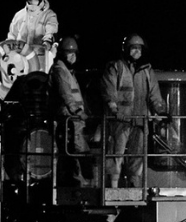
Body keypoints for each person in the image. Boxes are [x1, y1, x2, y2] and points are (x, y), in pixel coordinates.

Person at [100, 33, 170, 189]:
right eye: (133, 48)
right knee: (115, 154)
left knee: (137, 155)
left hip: (140, 120)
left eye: (139, 48)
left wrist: (161, 111)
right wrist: (113, 109)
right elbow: (108, 90)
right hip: (120, 120)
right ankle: (112, 187)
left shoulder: (146, 70)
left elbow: (154, 94)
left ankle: (134, 184)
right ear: (126, 49)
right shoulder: (116, 67)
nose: (137, 51)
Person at [49, 36, 90, 186]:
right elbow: (66, 94)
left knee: (77, 150)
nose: (72, 57)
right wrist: (78, 111)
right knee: (70, 151)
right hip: (67, 118)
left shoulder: (68, 72)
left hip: (74, 120)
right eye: (69, 53)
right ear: (62, 54)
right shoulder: (60, 71)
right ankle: (72, 181)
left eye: (74, 54)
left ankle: (79, 179)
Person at [7, 0, 59, 68]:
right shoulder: (19, 15)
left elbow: (51, 30)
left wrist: (47, 42)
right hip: (21, 57)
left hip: (41, 58)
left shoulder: (49, 15)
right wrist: (8, 50)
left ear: (40, 0)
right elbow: (12, 35)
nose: (33, 2)